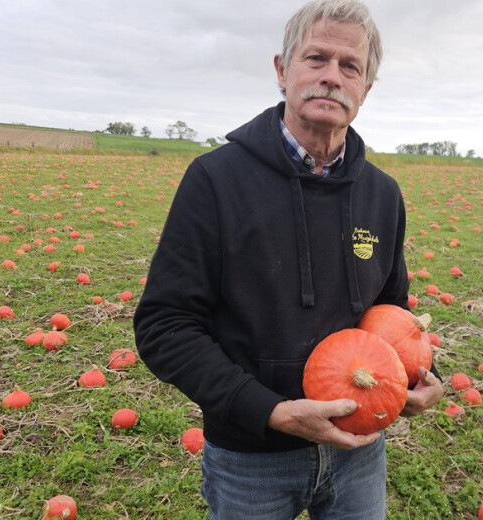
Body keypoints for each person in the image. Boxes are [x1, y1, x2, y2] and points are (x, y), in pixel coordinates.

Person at [133, 1, 443, 517]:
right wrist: (270, 411)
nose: (331, 77)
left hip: (360, 453)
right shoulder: (215, 181)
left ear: (366, 88)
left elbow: (391, 317)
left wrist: (416, 379)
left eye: (350, 67)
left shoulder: (383, 195)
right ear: (282, 70)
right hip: (250, 457)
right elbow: (165, 326)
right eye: (316, 58)